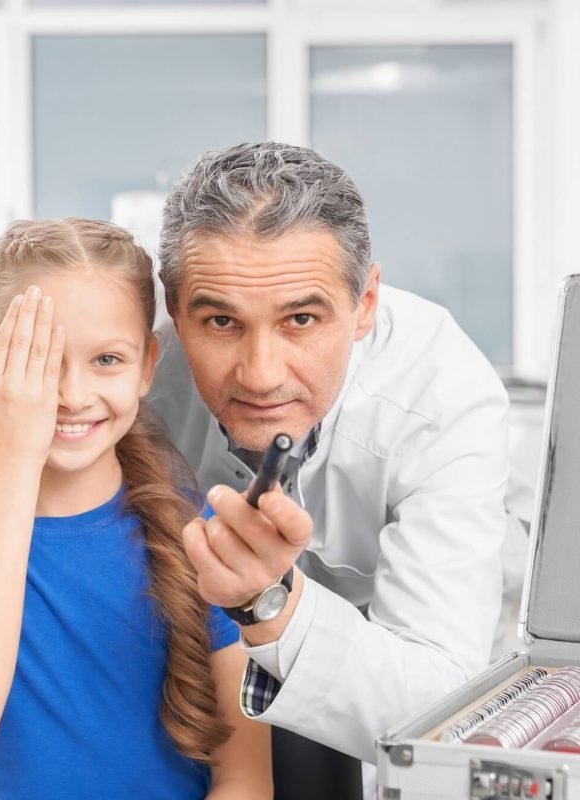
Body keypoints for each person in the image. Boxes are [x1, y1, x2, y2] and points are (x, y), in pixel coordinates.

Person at [149, 142, 528, 784]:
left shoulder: (440, 394)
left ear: (366, 303)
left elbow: (432, 715)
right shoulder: (137, 380)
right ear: (173, 306)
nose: (260, 375)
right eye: (221, 321)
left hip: (434, 663)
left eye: (301, 318)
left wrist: (265, 600)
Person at [0, 218, 272, 799]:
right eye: (38, 361)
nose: (72, 395)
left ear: (147, 366)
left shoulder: (205, 543)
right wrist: (11, 459)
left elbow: (245, 778)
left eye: (107, 360)